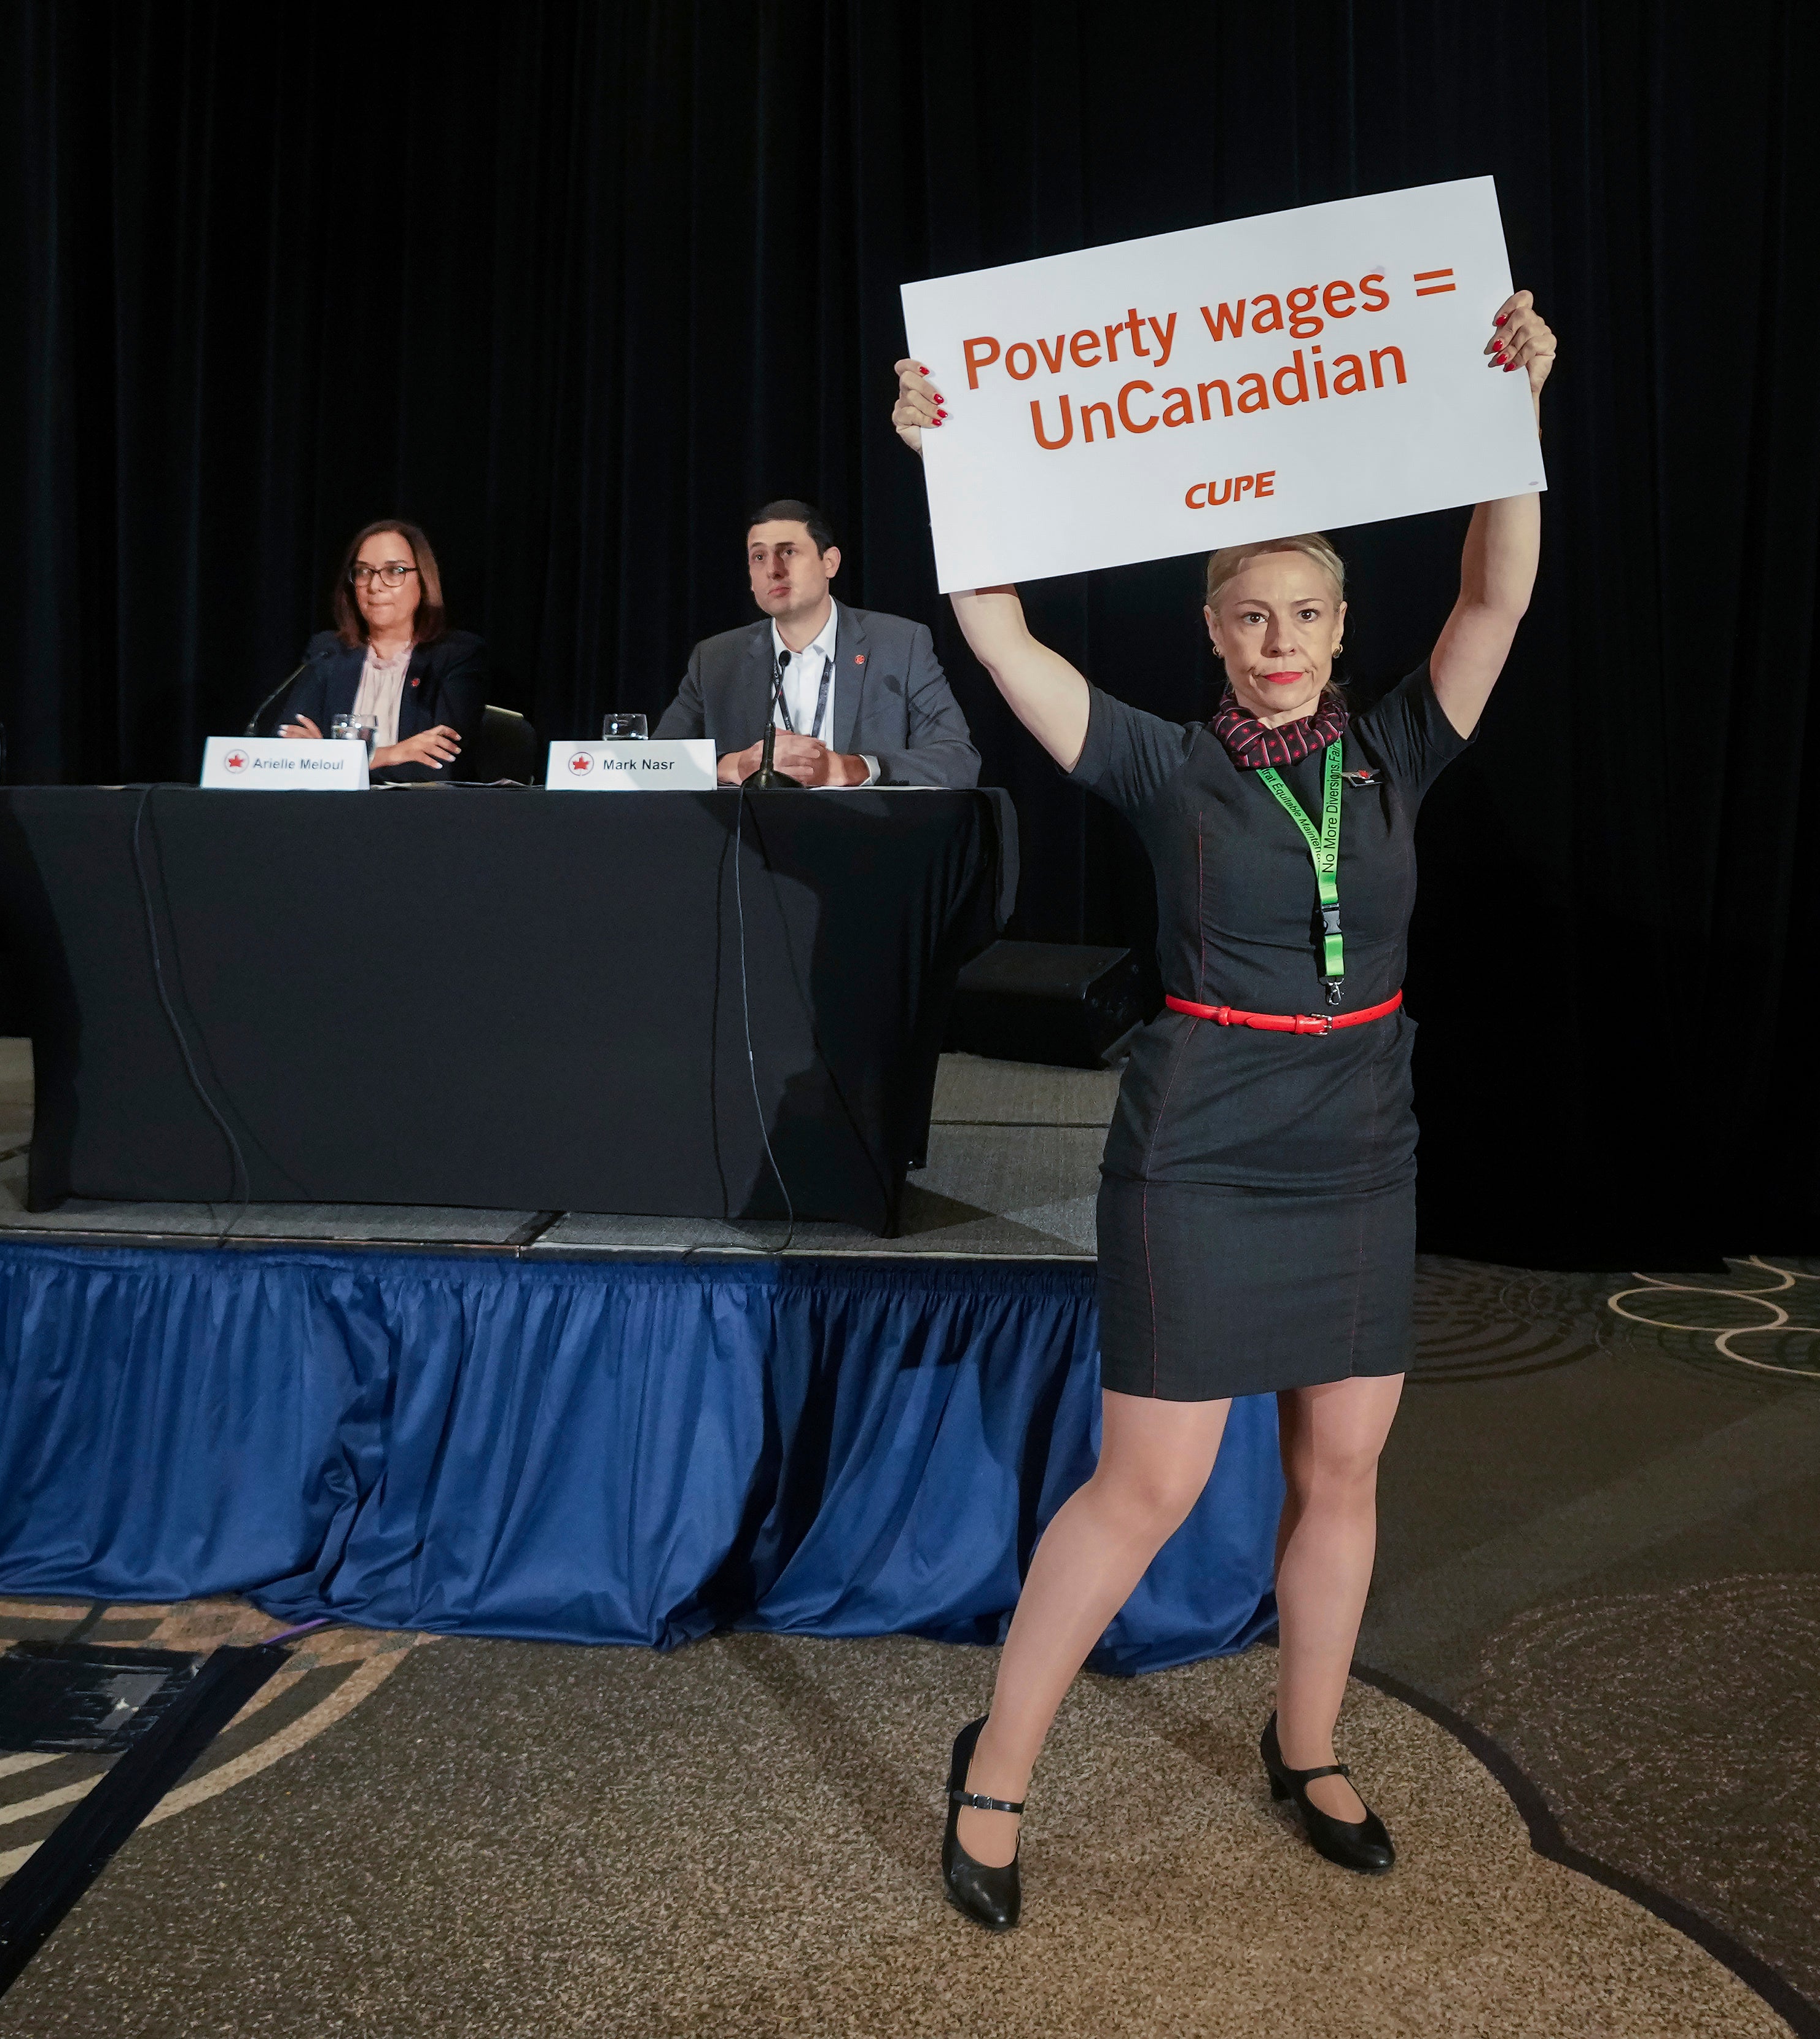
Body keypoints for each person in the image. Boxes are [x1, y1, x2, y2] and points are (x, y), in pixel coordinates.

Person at [888, 290, 1558, 1929]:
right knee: (1154, 1484)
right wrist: (950, 460)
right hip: (1198, 1142)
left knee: (1345, 1464)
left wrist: (1511, 419)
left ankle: (1309, 1746)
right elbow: (1000, 639)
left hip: (1359, 1139)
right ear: (1214, 630)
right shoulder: (1158, 763)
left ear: (1340, 627)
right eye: (1248, 615)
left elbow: (1499, 586)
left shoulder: (1399, 744)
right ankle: (996, 1777)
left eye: (1304, 615)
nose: (1276, 639)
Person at [653, 499, 980, 787]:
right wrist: (734, 766)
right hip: (749, 847)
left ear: (830, 563)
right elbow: (655, 763)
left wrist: (848, 768)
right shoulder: (716, 659)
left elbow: (957, 761)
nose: (774, 571)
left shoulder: (900, 645)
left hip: (861, 842)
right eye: (759, 557)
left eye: (789, 552)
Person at [272, 520, 488, 782]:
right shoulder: (328, 652)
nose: (375, 586)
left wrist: (329, 758)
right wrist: (393, 754)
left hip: (422, 815)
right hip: (330, 812)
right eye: (364, 572)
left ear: (423, 580)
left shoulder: (456, 656)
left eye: (394, 571)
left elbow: (442, 764)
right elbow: (285, 753)